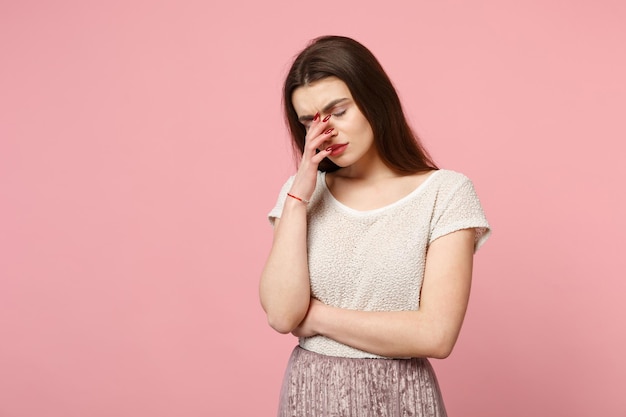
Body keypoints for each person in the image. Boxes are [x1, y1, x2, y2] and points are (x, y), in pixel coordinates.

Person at [260, 35, 491, 417]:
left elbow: (436, 335)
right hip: (309, 396)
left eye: (338, 111)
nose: (325, 132)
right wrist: (298, 196)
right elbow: (283, 316)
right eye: (309, 121)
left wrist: (314, 316)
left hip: (401, 397)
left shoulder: (446, 193)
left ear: (374, 100)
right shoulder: (300, 195)